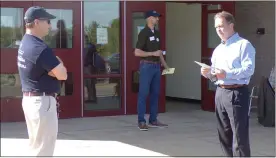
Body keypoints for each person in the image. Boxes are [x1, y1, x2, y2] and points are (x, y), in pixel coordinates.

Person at [201, 11, 255, 157]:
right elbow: (216, 73)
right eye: (216, 27)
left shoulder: (243, 45)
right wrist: (208, 74)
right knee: (223, 134)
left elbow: (248, 70)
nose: (218, 30)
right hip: (220, 92)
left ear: (231, 25)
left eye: (221, 26)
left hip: (236, 93)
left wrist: (227, 74)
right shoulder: (218, 49)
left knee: (239, 136)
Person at [17, 6, 68, 156]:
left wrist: (53, 68)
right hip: (42, 104)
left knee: (36, 147)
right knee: (43, 150)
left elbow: (52, 71)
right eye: (48, 21)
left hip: (31, 101)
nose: (50, 25)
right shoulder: (40, 48)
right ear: (37, 22)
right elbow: (62, 74)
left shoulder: (25, 43)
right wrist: (58, 63)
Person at [134, 10, 170, 131]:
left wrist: (165, 66)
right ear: (149, 18)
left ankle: (153, 120)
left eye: (158, 17)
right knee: (143, 94)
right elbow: (137, 52)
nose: (157, 19)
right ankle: (141, 121)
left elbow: (159, 52)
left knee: (155, 94)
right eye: (155, 17)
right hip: (146, 66)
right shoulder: (143, 33)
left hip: (156, 67)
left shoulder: (158, 33)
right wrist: (152, 53)